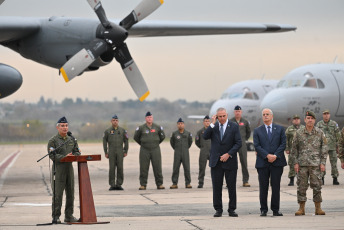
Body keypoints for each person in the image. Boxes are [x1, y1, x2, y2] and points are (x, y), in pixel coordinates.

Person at [203, 107, 242, 218]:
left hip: (230, 161)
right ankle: (218, 209)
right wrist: (212, 123)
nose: (222, 118)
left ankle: (232, 209)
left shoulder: (234, 126)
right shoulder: (213, 127)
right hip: (216, 162)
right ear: (216, 116)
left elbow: (238, 143)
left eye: (223, 116)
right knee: (217, 187)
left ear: (227, 115)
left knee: (231, 187)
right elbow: (205, 136)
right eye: (219, 116)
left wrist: (228, 154)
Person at [291, 111, 328, 216]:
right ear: (305, 120)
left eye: (312, 118)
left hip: (315, 165)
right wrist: (295, 163)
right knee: (301, 186)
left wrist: (323, 163)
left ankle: (318, 208)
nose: (310, 120)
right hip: (302, 165)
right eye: (308, 118)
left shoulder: (320, 133)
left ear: (315, 120)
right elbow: (294, 149)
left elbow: (324, 149)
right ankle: (301, 208)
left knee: (317, 186)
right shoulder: (299, 133)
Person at [253, 108, 286, 217]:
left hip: (277, 162)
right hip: (263, 162)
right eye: (263, 114)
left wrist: (275, 155)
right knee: (263, 187)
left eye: (267, 114)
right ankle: (263, 209)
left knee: (276, 186)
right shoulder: (257, 130)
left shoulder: (280, 129)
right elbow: (257, 146)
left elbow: (283, 144)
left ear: (272, 116)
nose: (265, 116)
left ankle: (275, 209)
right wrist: (267, 156)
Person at [47, 116, 80, 224]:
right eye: (62, 126)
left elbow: (78, 152)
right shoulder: (53, 141)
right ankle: (56, 216)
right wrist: (64, 157)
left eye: (66, 125)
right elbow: (52, 155)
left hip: (69, 169)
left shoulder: (72, 139)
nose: (65, 128)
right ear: (58, 127)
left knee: (70, 194)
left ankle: (69, 216)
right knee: (58, 194)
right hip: (59, 170)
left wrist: (73, 156)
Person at [134, 111, 165, 190]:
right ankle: (143, 184)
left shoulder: (157, 127)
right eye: (148, 117)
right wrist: (143, 143)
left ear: (152, 118)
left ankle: (159, 184)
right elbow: (136, 137)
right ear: (145, 118)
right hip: (144, 150)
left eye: (150, 117)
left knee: (157, 167)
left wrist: (156, 143)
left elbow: (162, 136)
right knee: (143, 168)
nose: (149, 119)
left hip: (155, 149)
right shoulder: (141, 128)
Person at [103, 114, 129, 191]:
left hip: (120, 151)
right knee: (112, 168)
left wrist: (125, 150)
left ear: (118, 121)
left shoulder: (122, 130)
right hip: (111, 151)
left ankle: (119, 184)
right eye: (113, 120)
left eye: (116, 120)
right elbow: (104, 142)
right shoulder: (107, 131)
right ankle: (112, 184)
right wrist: (106, 152)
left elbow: (126, 141)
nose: (115, 122)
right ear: (111, 121)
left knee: (120, 168)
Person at [316, 109, 340, 185]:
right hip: (323, 147)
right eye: (324, 114)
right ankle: (322, 178)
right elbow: (316, 135)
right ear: (323, 115)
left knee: (334, 163)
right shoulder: (319, 124)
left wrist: (338, 146)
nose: (326, 115)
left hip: (332, 147)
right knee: (322, 163)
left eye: (327, 114)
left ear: (329, 115)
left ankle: (335, 178)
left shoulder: (334, 124)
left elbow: (338, 136)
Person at [229, 105, 251, 187]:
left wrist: (243, 139)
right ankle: (230, 181)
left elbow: (248, 132)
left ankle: (245, 180)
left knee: (244, 162)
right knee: (231, 163)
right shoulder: (230, 122)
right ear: (234, 112)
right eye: (236, 111)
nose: (237, 113)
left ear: (241, 112)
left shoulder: (245, 122)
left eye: (239, 111)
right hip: (233, 145)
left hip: (242, 144)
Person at [170, 118, 193, 189]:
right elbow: (172, 143)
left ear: (184, 124)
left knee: (187, 168)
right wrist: (176, 149)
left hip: (185, 153)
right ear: (177, 125)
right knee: (175, 168)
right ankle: (174, 183)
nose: (180, 125)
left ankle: (188, 183)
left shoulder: (188, 133)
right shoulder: (174, 134)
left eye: (181, 124)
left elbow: (190, 142)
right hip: (177, 153)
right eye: (179, 124)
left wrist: (185, 148)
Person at [285, 114, 304, 186]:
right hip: (292, 150)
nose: (296, 120)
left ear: (300, 120)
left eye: (297, 119)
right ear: (293, 121)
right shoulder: (289, 129)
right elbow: (286, 139)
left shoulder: (303, 128)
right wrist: (287, 148)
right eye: (295, 119)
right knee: (292, 165)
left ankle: (301, 180)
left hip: (302, 151)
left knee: (302, 166)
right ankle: (291, 180)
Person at [195, 115, 211, 188]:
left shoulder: (213, 130)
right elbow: (197, 142)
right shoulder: (200, 132)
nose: (207, 122)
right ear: (203, 122)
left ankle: (216, 182)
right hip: (203, 151)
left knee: (214, 168)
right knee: (202, 168)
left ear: (210, 122)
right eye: (205, 121)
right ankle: (200, 182)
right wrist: (202, 147)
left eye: (208, 121)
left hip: (212, 151)